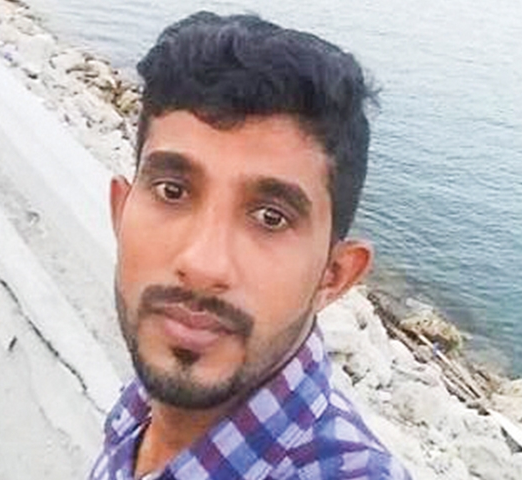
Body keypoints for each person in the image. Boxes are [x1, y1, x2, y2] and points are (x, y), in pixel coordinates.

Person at [90, 11, 412, 480]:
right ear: (121, 212)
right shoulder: (140, 408)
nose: (203, 264)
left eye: (270, 217)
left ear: (334, 276)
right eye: (172, 191)